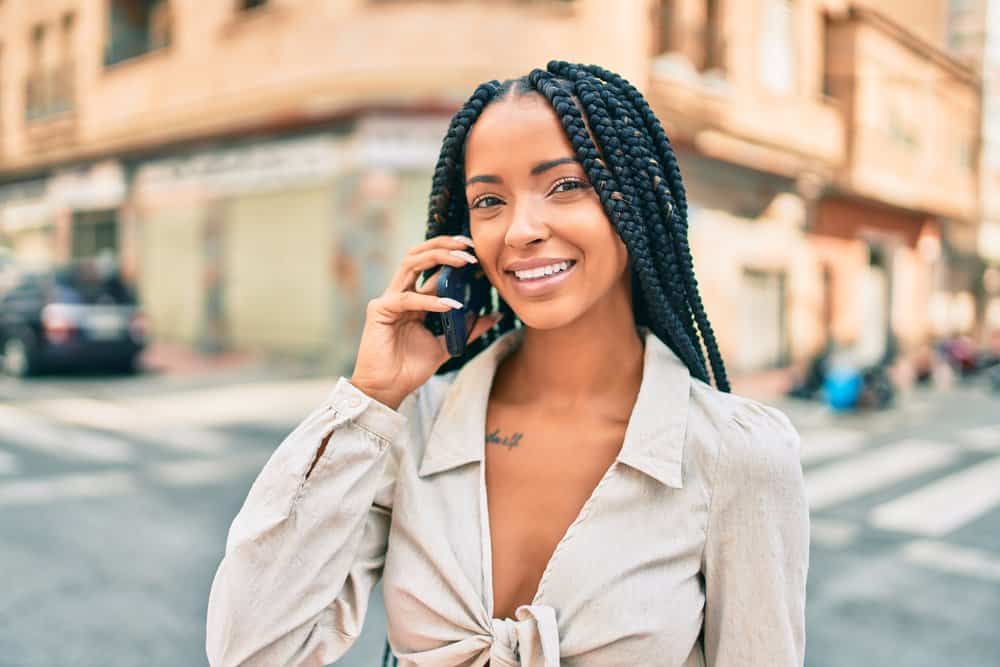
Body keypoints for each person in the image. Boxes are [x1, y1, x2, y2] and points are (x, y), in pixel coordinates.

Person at [205, 61, 810, 667]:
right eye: (489, 200)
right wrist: (370, 399)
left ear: (635, 202)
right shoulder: (412, 426)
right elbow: (251, 651)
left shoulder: (737, 454)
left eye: (566, 186)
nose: (519, 231)